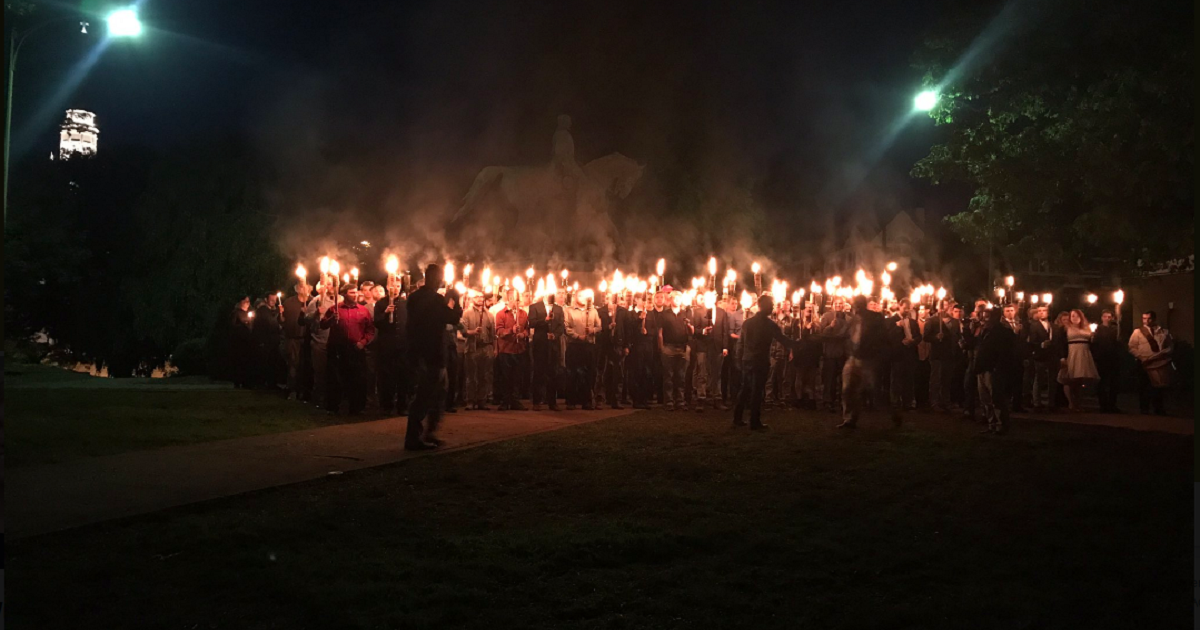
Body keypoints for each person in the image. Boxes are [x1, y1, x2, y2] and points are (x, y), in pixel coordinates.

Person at [405, 265, 463, 450]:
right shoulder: (434, 299)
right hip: (432, 354)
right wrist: (456, 298)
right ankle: (415, 437)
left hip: (422, 352)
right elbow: (452, 317)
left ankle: (427, 433)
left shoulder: (414, 297)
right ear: (435, 278)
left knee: (437, 394)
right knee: (426, 395)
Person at [733, 294, 798, 430]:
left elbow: (741, 343)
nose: (773, 307)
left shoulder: (748, 323)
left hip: (747, 359)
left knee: (745, 388)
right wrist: (800, 343)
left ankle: (737, 418)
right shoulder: (769, 325)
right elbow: (783, 339)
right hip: (760, 360)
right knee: (757, 391)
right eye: (772, 305)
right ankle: (754, 421)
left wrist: (739, 359)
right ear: (766, 306)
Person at [837, 295, 896, 429]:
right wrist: (815, 337)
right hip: (853, 358)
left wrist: (882, 355)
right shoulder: (853, 320)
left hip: (869, 359)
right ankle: (849, 419)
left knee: (874, 391)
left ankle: (893, 414)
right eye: (855, 305)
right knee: (847, 389)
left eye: (857, 304)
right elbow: (841, 335)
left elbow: (884, 338)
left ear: (863, 305)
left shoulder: (876, 318)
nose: (856, 307)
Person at [321, 285, 376, 416]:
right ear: (344, 294)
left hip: (356, 349)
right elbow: (322, 325)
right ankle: (333, 406)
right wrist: (331, 320)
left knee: (357, 379)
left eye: (356, 292)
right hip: (337, 349)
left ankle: (356, 408)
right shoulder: (334, 309)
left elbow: (370, 330)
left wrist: (363, 342)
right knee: (335, 378)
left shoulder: (363, 310)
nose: (355, 295)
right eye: (352, 292)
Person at [973, 308, 1019, 434]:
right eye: (984, 317)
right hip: (982, 368)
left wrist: (997, 367)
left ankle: (1001, 425)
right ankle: (991, 424)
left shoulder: (1003, 332)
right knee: (985, 399)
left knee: (996, 398)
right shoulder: (985, 331)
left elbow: (1006, 352)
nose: (984, 319)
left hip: (993, 369)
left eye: (987, 317)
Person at [374, 277, 409, 415]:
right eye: (393, 284)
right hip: (387, 347)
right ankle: (387, 406)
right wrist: (386, 314)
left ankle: (402, 405)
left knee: (403, 377)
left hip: (403, 347)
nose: (396, 287)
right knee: (387, 377)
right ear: (388, 287)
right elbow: (377, 322)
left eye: (398, 285)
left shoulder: (405, 304)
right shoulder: (381, 304)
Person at [1127, 310, 1173, 415]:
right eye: (1144, 318)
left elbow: (1170, 346)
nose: (1146, 321)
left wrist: (1161, 354)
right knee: (1144, 386)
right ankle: (1144, 409)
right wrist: (1141, 357)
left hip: (1159, 362)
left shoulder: (1163, 331)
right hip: (1144, 362)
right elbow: (1132, 347)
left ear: (1154, 319)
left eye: (1149, 318)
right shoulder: (1138, 332)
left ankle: (1158, 408)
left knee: (1158, 387)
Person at [528, 288, 565, 410]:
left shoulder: (558, 308)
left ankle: (552, 402)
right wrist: (545, 321)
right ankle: (537, 401)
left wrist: (555, 335)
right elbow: (531, 323)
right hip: (540, 345)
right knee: (539, 372)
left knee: (553, 373)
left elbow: (561, 326)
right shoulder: (535, 307)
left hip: (553, 346)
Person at [564, 291, 601, 409]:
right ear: (575, 297)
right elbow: (567, 327)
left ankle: (586, 400)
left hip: (588, 346)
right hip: (574, 345)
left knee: (588, 373)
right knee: (572, 373)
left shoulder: (593, 311)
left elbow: (599, 326)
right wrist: (577, 336)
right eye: (580, 295)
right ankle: (571, 401)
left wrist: (593, 331)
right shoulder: (569, 310)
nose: (583, 298)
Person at [657, 291, 692, 411]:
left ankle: (680, 401)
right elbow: (660, 332)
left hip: (682, 348)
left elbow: (691, 332)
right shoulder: (665, 314)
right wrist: (661, 347)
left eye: (679, 298)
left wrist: (689, 326)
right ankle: (669, 401)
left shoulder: (685, 314)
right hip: (668, 348)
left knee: (681, 377)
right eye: (675, 298)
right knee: (668, 376)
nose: (677, 300)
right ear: (671, 299)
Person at [494, 289, 529, 411]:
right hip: (506, 350)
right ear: (509, 299)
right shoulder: (501, 314)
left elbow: (527, 329)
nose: (518, 302)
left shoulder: (523, 314)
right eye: (516, 299)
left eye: (519, 299)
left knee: (517, 377)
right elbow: (499, 331)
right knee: (506, 377)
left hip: (519, 349)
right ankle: (505, 400)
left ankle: (515, 400)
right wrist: (511, 330)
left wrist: (523, 334)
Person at [461, 292, 496, 410]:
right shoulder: (467, 313)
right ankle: (470, 401)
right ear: (472, 299)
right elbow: (463, 331)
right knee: (471, 376)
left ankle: (482, 400)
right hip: (472, 348)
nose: (480, 299)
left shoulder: (489, 315)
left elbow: (493, 334)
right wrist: (473, 332)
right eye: (477, 297)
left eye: (481, 297)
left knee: (484, 376)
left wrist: (494, 349)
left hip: (486, 348)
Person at [305, 283, 338, 408]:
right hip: (320, 340)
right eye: (327, 284)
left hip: (335, 341)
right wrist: (315, 314)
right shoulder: (316, 301)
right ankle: (318, 398)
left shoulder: (339, 299)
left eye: (332, 284)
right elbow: (307, 319)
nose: (330, 287)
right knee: (320, 371)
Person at [1060, 309, 1099, 411]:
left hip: (1084, 353)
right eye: (1072, 316)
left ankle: (1078, 402)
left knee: (1080, 379)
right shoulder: (1065, 329)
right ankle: (1071, 402)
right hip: (1072, 354)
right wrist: (1063, 357)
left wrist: (1093, 337)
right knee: (1069, 379)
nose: (1075, 318)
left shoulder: (1087, 328)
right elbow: (1062, 344)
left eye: (1077, 316)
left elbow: (1092, 343)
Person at [888, 300, 920, 415]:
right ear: (899, 307)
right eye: (905, 308)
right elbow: (887, 337)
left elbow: (919, 336)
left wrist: (913, 341)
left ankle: (908, 402)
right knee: (896, 379)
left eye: (909, 309)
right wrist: (897, 327)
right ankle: (895, 402)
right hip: (897, 354)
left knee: (909, 379)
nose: (907, 310)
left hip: (909, 354)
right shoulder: (891, 321)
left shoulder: (912, 322)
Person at [281, 282, 312, 401]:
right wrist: (280, 316)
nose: (302, 288)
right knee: (293, 365)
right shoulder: (289, 302)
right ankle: (292, 390)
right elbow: (282, 320)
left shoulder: (313, 301)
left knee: (306, 366)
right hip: (292, 338)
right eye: (300, 286)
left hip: (307, 338)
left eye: (305, 286)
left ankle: (304, 391)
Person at [596, 292, 626, 410]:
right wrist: (608, 328)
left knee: (618, 374)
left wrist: (626, 345)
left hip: (617, 345)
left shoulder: (622, 312)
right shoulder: (600, 311)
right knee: (601, 373)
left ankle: (616, 399)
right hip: (604, 345)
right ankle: (599, 399)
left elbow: (627, 329)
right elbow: (598, 329)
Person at [624, 295, 655, 409]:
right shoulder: (631, 313)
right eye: (642, 299)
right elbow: (629, 328)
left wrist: (648, 331)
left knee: (647, 372)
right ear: (637, 300)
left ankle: (644, 398)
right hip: (637, 346)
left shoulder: (650, 313)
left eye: (645, 300)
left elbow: (654, 329)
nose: (644, 302)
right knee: (637, 371)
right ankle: (636, 399)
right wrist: (639, 320)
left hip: (648, 346)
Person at [819, 299, 849, 413]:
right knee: (829, 379)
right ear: (832, 306)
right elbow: (821, 332)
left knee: (843, 380)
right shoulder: (827, 316)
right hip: (830, 353)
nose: (838, 305)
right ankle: (828, 402)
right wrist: (830, 327)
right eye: (836, 304)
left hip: (843, 353)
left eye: (840, 304)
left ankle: (842, 402)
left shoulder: (848, 318)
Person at [1025, 305, 1056, 411]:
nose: (1042, 313)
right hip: (1040, 355)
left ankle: (1051, 402)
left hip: (1052, 355)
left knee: (1052, 379)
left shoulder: (1053, 325)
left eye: (1044, 311)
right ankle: (1037, 402)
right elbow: (1032, 341)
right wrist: (1041, 345)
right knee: (1039, 378)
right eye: (1039, 311)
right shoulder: (1034, 326)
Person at [1092, 310, 1122, 413]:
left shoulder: (1115, 329)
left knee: (1114, 383)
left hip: (1113, 359)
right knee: (1102, 383)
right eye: (1105, 316)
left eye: (1109, 317)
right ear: (1102, 318)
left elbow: (1118, 342)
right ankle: (1103, 405)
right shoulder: (1098, 329)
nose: (1107, 319)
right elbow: (1095, 344)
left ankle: (1112, 405)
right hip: (1102, 359)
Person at [253, 293, 285, 390]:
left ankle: (272, 383)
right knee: (265, 362)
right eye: (271, 300)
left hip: (275, 341)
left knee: (273, 362)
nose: (273, 302)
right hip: (266, 341)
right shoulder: (261, 311)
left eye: (275, 300)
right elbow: (258, 327)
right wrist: (260, 341)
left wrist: (281, 313)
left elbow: (281, 322)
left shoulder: (276, 310)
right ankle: (262, 383)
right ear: (266, 299)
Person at [722, 296, 744, 408]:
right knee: (729, 372)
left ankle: (736, 395)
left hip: (739, 347)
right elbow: (729, 332)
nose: (734, 305)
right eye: (732, 303)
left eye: (736, 303)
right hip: (730, 347)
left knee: (737, 372)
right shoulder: (727, 315)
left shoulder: (741, 315)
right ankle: (727, 395)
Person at [230, 296, 255, 388]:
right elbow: (232, 326)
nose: (247, 303)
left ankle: (246, 381)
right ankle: (237, 381)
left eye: (248, 301)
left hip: (248, 341)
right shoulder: (236, 313)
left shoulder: (249, 312)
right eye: (245, 301)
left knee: (247, 361)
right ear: (241, 302)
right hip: (239, 342)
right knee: (239, 362)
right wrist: (243, 325)